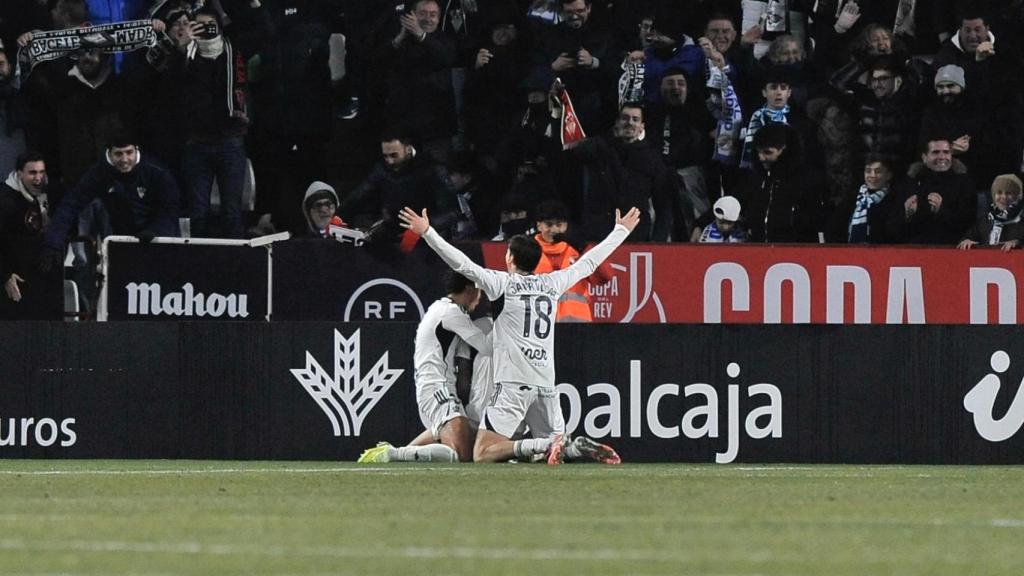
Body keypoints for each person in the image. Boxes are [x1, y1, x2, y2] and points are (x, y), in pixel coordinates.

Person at [398, 204, 641, 465]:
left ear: (510, 259)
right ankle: (567, 446)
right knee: (547, 459)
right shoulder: (552, 282)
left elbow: (461, 263)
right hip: (546, 384)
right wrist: (620, 231)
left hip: (513, 385)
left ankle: (548, 443)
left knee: (482, 454)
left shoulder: (502, 283)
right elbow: (589, 263)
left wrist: (427, 232)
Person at [358, 272, 493, 463]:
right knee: (461, 455)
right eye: (480, 292)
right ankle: (391, 454)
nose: (480, 300)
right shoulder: (452, 313)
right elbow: (487, 347)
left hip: (435, 387)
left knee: (464, 442)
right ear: (470, 290)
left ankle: (396, 453)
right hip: (437, 388)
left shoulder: (439, 307)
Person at [42, 136, 180, 263]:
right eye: (119, 154)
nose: (125, 159)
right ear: (109, 153)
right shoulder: (98, 173)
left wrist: (155, 231)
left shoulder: (156, 171)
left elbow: (170, 208)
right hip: (123, 241)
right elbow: (71, 205)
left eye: (129, 152)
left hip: (157, 238)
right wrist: (53, 242)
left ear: (136, 150)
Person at [0, 152, 61, 319]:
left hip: (33, 280)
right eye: (32, 173)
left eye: (42, 172)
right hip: (10, 284)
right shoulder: (5, 201)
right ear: (19, 174)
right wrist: (4, 275)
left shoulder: (38, 195)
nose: (38, 178)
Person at [531, 199, 612, 322]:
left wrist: (583, 248)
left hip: (578, 328)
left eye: (559, 225)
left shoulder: (578, 252)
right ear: (538, 225)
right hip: (539, 327)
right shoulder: (528, 251)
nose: (553, 230)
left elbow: (605, 277)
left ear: (566, 226)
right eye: (548, 224)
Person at [885, 137, 975, 245]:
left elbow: (968, 225)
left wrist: (941, 211)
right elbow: (892, 229)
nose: (942, 157)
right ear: (924, 157)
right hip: (914, 251)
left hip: (951, 251)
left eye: (946, 152)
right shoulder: (909, 184)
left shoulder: (964, 184)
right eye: (935, 152)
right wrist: (906, 215)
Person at [826, 155, 897, 244]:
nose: (873, 175)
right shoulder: (852, 198)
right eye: (868, 171)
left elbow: (893, 234)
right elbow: (833, 230)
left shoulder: (895, 200)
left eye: (878, 171)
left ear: (888, 176)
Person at [958, 174, 1024, 252]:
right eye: (999, 193)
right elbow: (966, 239)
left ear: (1018, 196)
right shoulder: (984, 221)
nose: (1003, 197)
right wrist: (966, 241)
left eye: (1008, 193)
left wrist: (1017, 244)